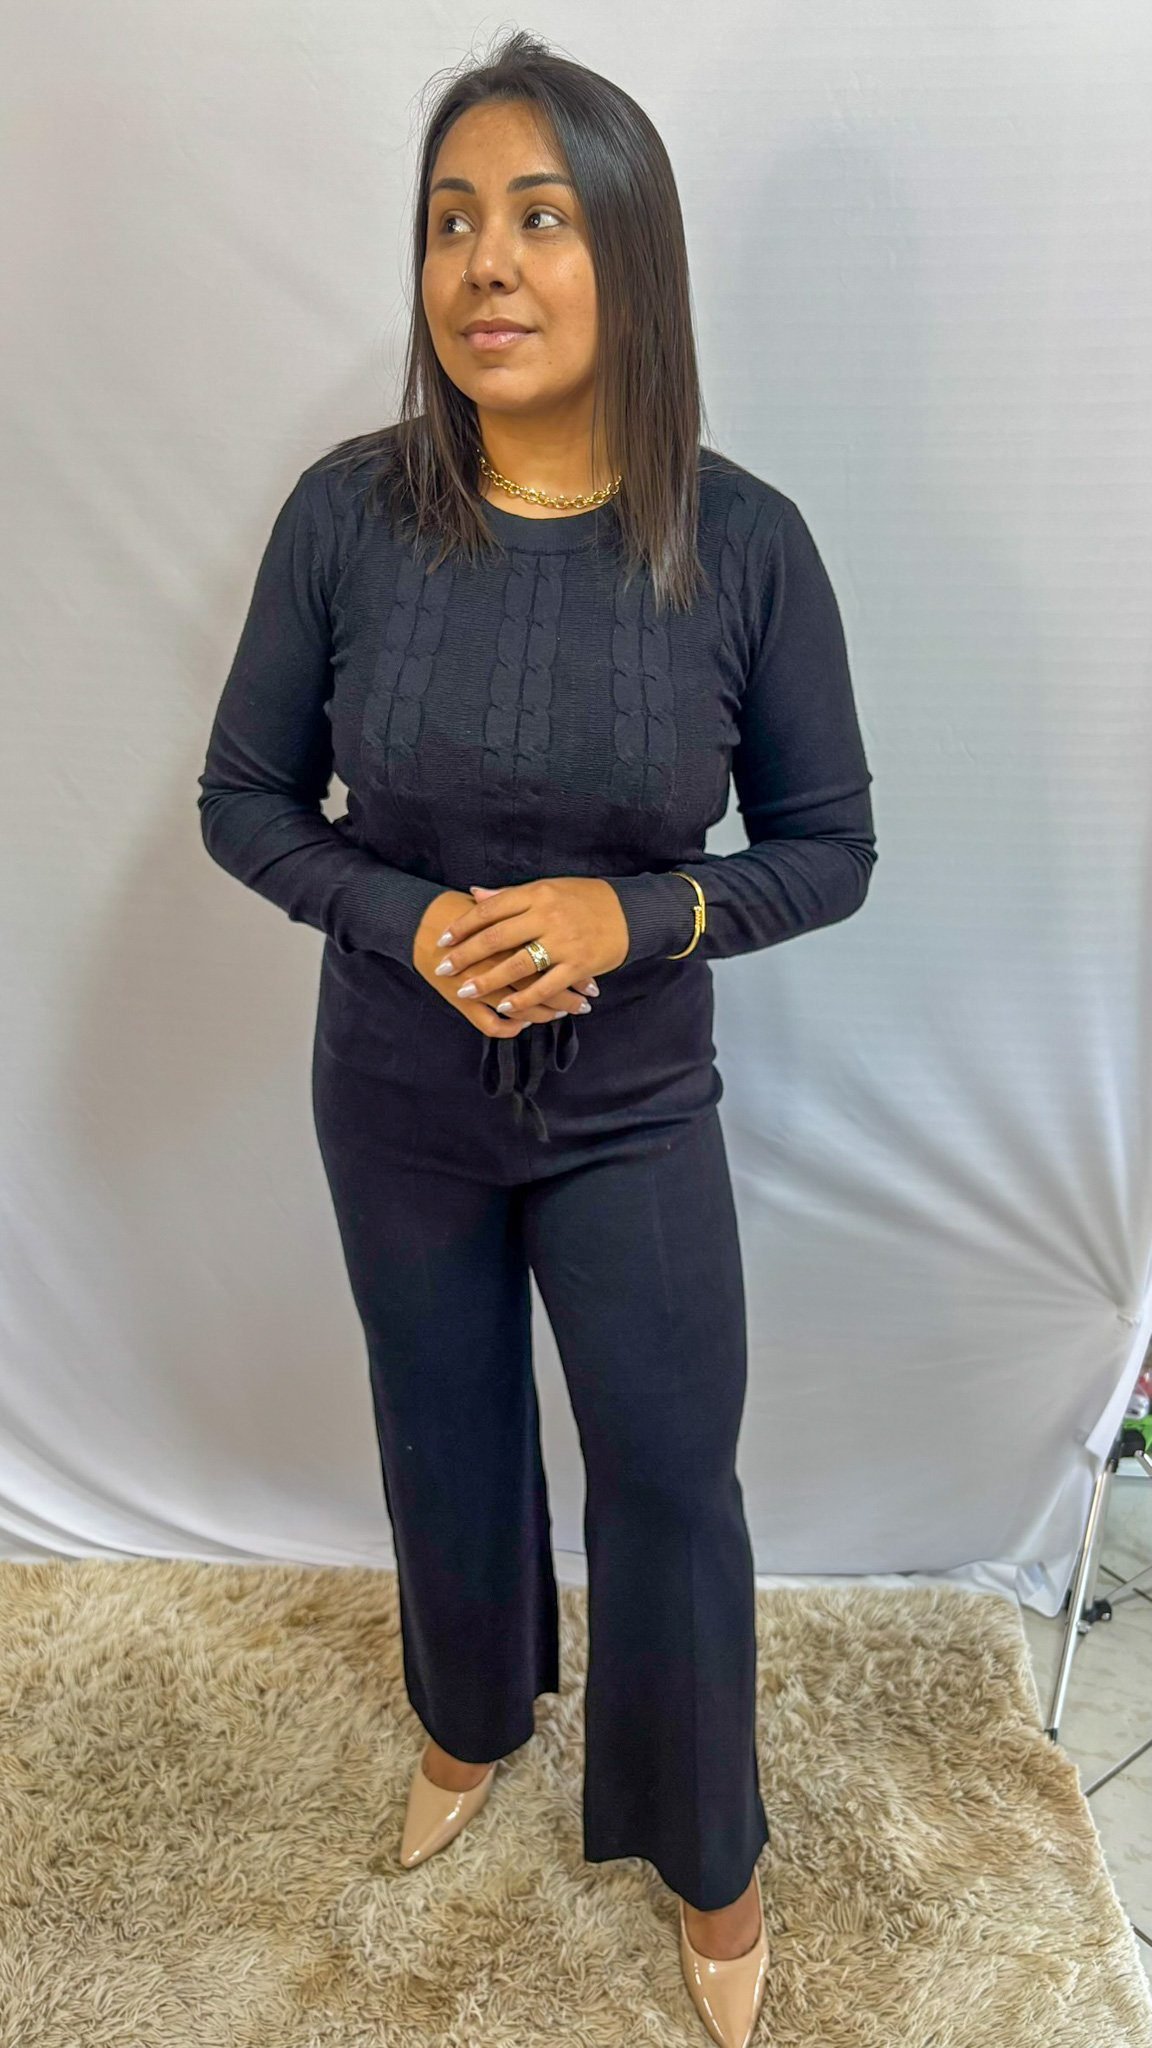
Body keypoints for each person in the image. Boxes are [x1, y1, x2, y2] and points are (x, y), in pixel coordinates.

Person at [197, 31, 877, 2048]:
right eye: (449, 222)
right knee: (445, 1431)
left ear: (630, 256)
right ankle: (468, 1717)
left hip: (632, 1108)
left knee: (670, 1475)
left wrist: (633, 914)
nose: (485, 264)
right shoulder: (347, 518)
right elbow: (244, 803)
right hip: (392, 1095)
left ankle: (709, 1849)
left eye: (540, 218)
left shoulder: (743, 545)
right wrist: (409, 924)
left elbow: (831, 847)